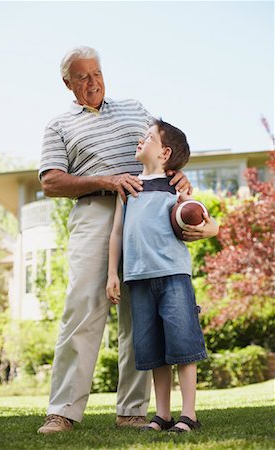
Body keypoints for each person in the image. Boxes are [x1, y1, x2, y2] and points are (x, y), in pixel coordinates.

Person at [37, 46, 192, 434]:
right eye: (83, 77)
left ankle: (133, 411)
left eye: (97, 73)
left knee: (139, 311)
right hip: (96, 211)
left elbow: (162, 149)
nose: (93, 82)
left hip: (145, 212)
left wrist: (179, 177)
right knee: (84, 308)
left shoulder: (135, 109)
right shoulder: (59, 125)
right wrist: (106, 180)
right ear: (67, 83)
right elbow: (50, 181)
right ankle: (63, 411)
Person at [106, 119, 219, 433]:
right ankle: (163, 415)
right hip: (138, 279)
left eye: (148, 137)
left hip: (173, 276)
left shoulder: (176, 186)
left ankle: (189, 414)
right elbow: (116, 233)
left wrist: (210, 227)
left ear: (165, 152)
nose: (141, 139)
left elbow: (197, 217)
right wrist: (111, 275)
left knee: (183, 346)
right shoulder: (128, 188)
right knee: (153, 351)